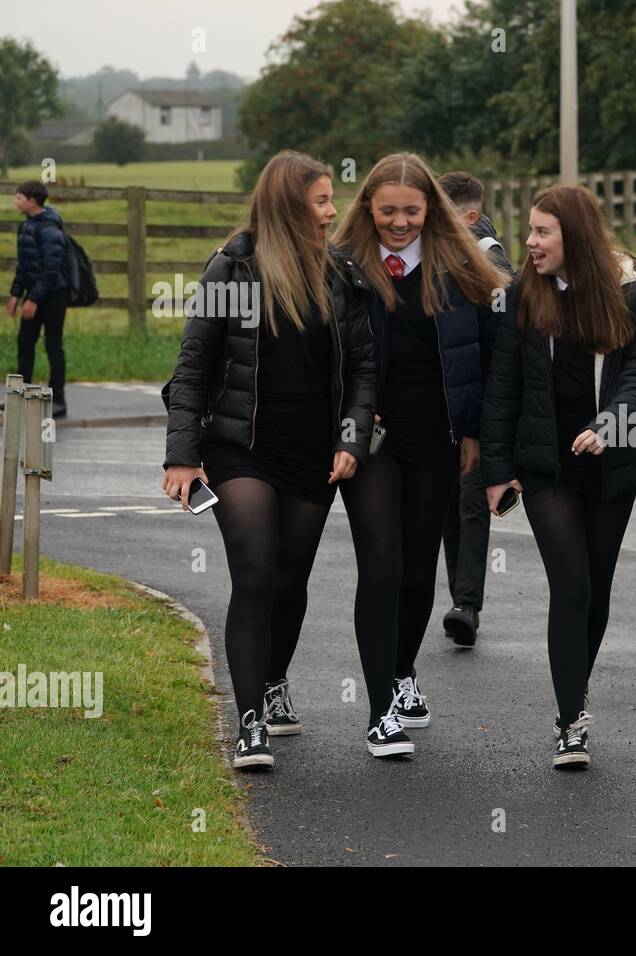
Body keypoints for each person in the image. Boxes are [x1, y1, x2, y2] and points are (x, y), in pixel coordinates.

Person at [161, 150, 376, 768]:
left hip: (312, 452)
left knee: (290, 579)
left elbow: (363, 368)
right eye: (321, 201)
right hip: (239, 449)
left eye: (332, 199)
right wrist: (182, 455)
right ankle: (249, 720)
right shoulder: (232, 269)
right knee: (255, 575)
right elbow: (194, 367)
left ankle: (275, 681)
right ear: (287, 205)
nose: (333, 211)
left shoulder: (340, 273)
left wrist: (351, 438)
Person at [326, 154, 504, 749]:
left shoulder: (463, 268)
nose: (399, 223)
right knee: (382, 563)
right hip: (371, 436)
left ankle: (403, 672)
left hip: (438, 434)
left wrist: (475, 432)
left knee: (420, 567)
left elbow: (484, 356)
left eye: (410, 211)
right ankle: (380, 710)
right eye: (387, 212)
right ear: (368, 210)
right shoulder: (344, 268)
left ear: (430, 209)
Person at [480, 184, 636, 770]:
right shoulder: (519, 297)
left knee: (598, 591)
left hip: (611, 464)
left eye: (541, 232)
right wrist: (497, 470)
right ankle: (570, 720)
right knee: (572, 585)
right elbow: (502, 387)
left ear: (574, 236)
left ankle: (574, 694)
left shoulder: (631, 291)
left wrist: (614, 421)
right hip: (545, 466)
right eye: (529, 231)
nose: (529, 242)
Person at [436, 169, 516, 646]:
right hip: (445, 404)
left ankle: (468, 603)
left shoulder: (490, 261)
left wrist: (490, 417)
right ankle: (459, 598)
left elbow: (502, 343)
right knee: (450, 505)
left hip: (481, 404)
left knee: (471, 502)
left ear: (469, 215)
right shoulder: (442, 252)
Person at [7, 181, 69, 418]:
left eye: (19, 197)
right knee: (25, 342)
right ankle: (20, 396)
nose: (16, 201)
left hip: (54, 296)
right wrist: (15, 294)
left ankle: (58, 400)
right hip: (34, 294)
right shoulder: (25, 227)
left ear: (32, 201)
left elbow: (52, 270)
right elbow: (24, 265)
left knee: (53, 345)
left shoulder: (49, 228)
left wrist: (33, 299)